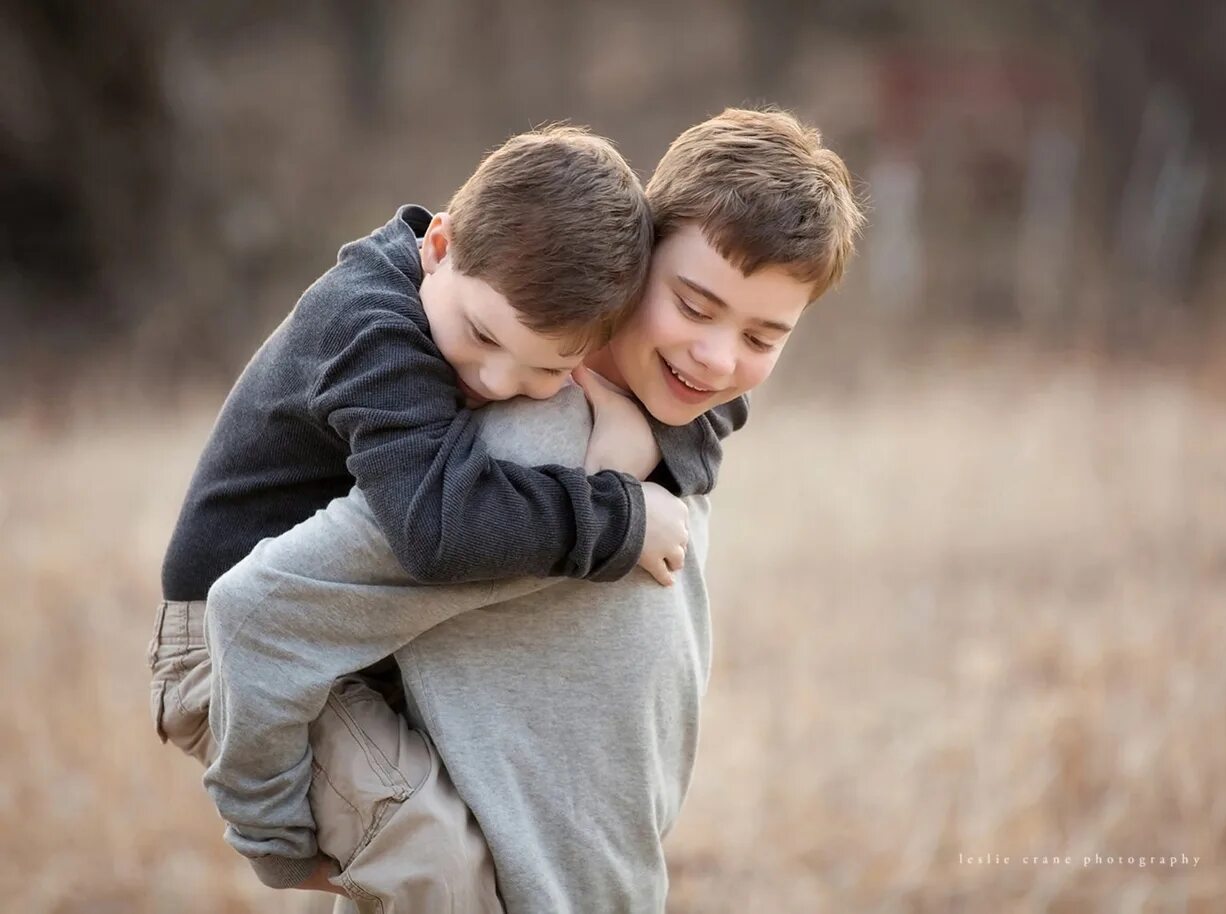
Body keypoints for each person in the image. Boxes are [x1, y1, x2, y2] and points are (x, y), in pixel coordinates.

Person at [202, 107, 865, 912]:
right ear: (633, 264)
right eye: (692, 307)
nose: (719, 357)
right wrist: (272, 832)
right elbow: (264, 611)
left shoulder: (663, 421)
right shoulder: (508, 452)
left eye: (764, 339)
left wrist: (653, 454)